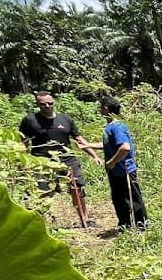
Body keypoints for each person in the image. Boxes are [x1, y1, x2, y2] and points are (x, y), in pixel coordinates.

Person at [18, 90, 101, 225]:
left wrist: (94, 155)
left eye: (50, 103)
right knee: (42, 190)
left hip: (68, 160)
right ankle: (41, 222)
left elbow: (78, 139)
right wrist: (23, 161)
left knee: (77, 188)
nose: (47, 106)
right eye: (43, 104)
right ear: (37, 104)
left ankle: (85, 219)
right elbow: (23, 142)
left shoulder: (65, 119)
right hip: (42, 161)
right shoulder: (30, 120)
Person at [99, 96, 147, 231]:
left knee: (133, 199)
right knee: (119, 199)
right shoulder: (110, 127)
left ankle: (141, 226)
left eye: (101, 107)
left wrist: (112, 162)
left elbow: (125, 147)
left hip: (124, 170)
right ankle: (125, 225)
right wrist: (87, 145)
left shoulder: (117, 127)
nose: (100, 110)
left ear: (106, 109)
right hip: (115, 171)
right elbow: (110, 145)